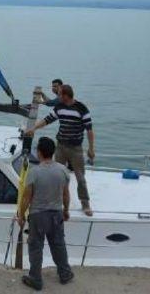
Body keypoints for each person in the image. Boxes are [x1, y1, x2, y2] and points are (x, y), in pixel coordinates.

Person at [26, 84, 95, 216]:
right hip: (61, 147)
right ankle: (57, 202)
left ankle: (85, 204)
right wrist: (33, 129)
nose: (57, 97)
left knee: (80, 177)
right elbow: (47, 120)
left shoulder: (81, 108)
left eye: (59, 95)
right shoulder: (59, 107)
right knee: (58, 176)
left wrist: (91, 149)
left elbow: (89, 130)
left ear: (65, 96)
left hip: (76, 149)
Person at [17, 137, 73, 290]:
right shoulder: (63, 170)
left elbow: (27, 197)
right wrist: (66, 210)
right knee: (58, 245)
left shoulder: (34, 172)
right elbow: (66, 195)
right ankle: (65, 273)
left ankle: (35, 278)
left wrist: (20, 215)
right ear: (53, 152)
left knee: (36, 247)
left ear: (39, 152)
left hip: (38, 216)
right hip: (56, 214)